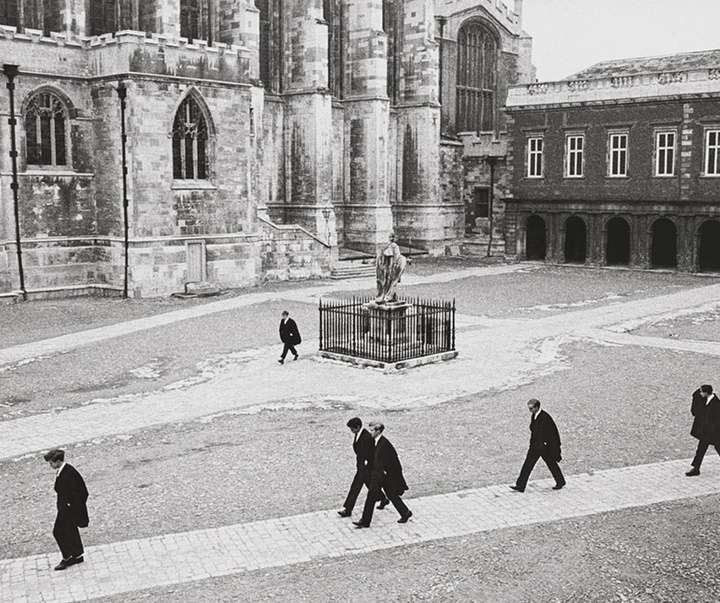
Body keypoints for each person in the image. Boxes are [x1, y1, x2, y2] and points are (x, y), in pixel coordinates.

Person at [353, 421, 412, 528]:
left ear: (378, 431)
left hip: (384, 475)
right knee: (389, 495)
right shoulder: (376, 441)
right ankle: (405, 512)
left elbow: (391, 462)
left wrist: (384, 474)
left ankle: (365, 521)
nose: (370, 432)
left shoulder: (384, 444)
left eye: (372, 430)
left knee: (385, 495)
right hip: (381, 475)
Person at [44, 448, 89, 571]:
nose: (50, 465)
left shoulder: (69, 473)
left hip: (68, 510)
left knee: (58, 532)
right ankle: (77, 555)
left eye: (51, 463)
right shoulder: (63, 470)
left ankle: (67, 557)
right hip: (66, 508)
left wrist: (72, 506)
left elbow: (82, 492)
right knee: (70, 530)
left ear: (58, 461)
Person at [510, 399, 566, 493]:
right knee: (527, 465)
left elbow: (552, 433)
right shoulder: (535, 415)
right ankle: (520, 485)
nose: (530, 410)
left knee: (551, 464)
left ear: (537, 407)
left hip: (544, 447)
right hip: (535, 446)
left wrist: (546, 444)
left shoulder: (545, 418)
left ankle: (560, 481)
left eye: (531, 408)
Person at [338, 418, 389, 517]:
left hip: (365, 467)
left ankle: (348, 509)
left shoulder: (366, 437)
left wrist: (364, 466)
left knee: (355, 487)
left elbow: (368, 453)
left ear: (358, 427)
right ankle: (383, 499)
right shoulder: (360, 434)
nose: (351, 431)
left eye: (352, 429)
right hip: (363, 466)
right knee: (370, 486)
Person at [686, 384, 720, 476]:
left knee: (718, 448)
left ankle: (696, 469)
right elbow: (696, 395)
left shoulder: (717, 404)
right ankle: (696, 468)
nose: (700, 393)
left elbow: (717, 420)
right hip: (706, 433)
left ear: (706, 393)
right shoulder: (704, 399)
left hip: (714, 433)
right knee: (700, 450)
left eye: (702, 392)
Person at [375, 232, 407, 304]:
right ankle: (387, 295)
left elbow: (394, 258)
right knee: (386, 282)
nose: (391, 239)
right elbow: (384, 257)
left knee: (389, 282)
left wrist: (392, 267)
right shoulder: (389, 246)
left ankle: (389, 296)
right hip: (387, 268)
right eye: (390, 237)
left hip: (391, 268)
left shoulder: (393, 246)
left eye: (393, 237)